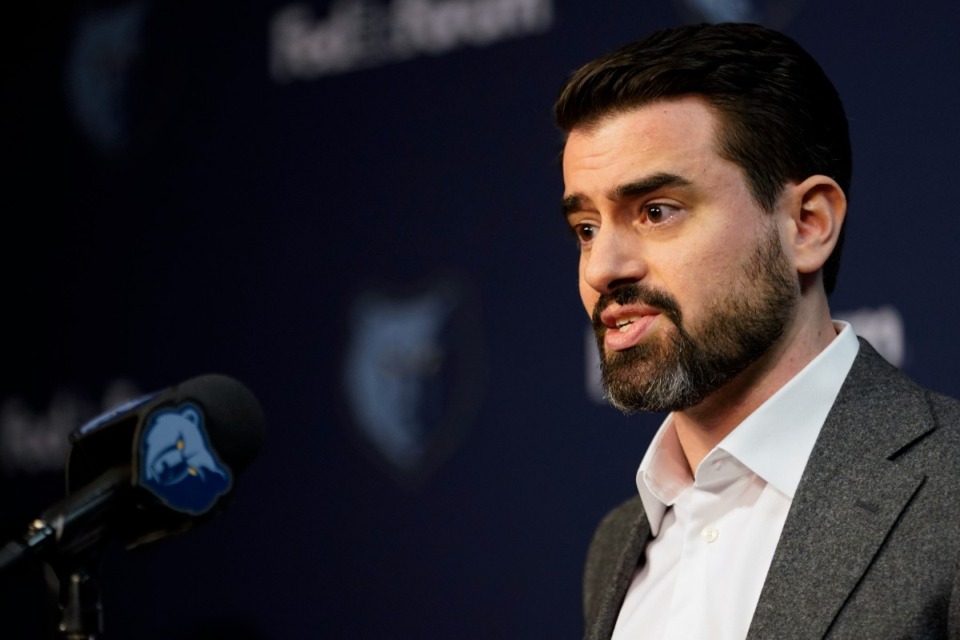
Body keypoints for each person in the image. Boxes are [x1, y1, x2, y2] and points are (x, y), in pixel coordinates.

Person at [555, 22, 960, 640]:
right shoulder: (616, 545)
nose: (603, 268)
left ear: (807, 224)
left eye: (656, 211)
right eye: (586, 228)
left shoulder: (949, 489)